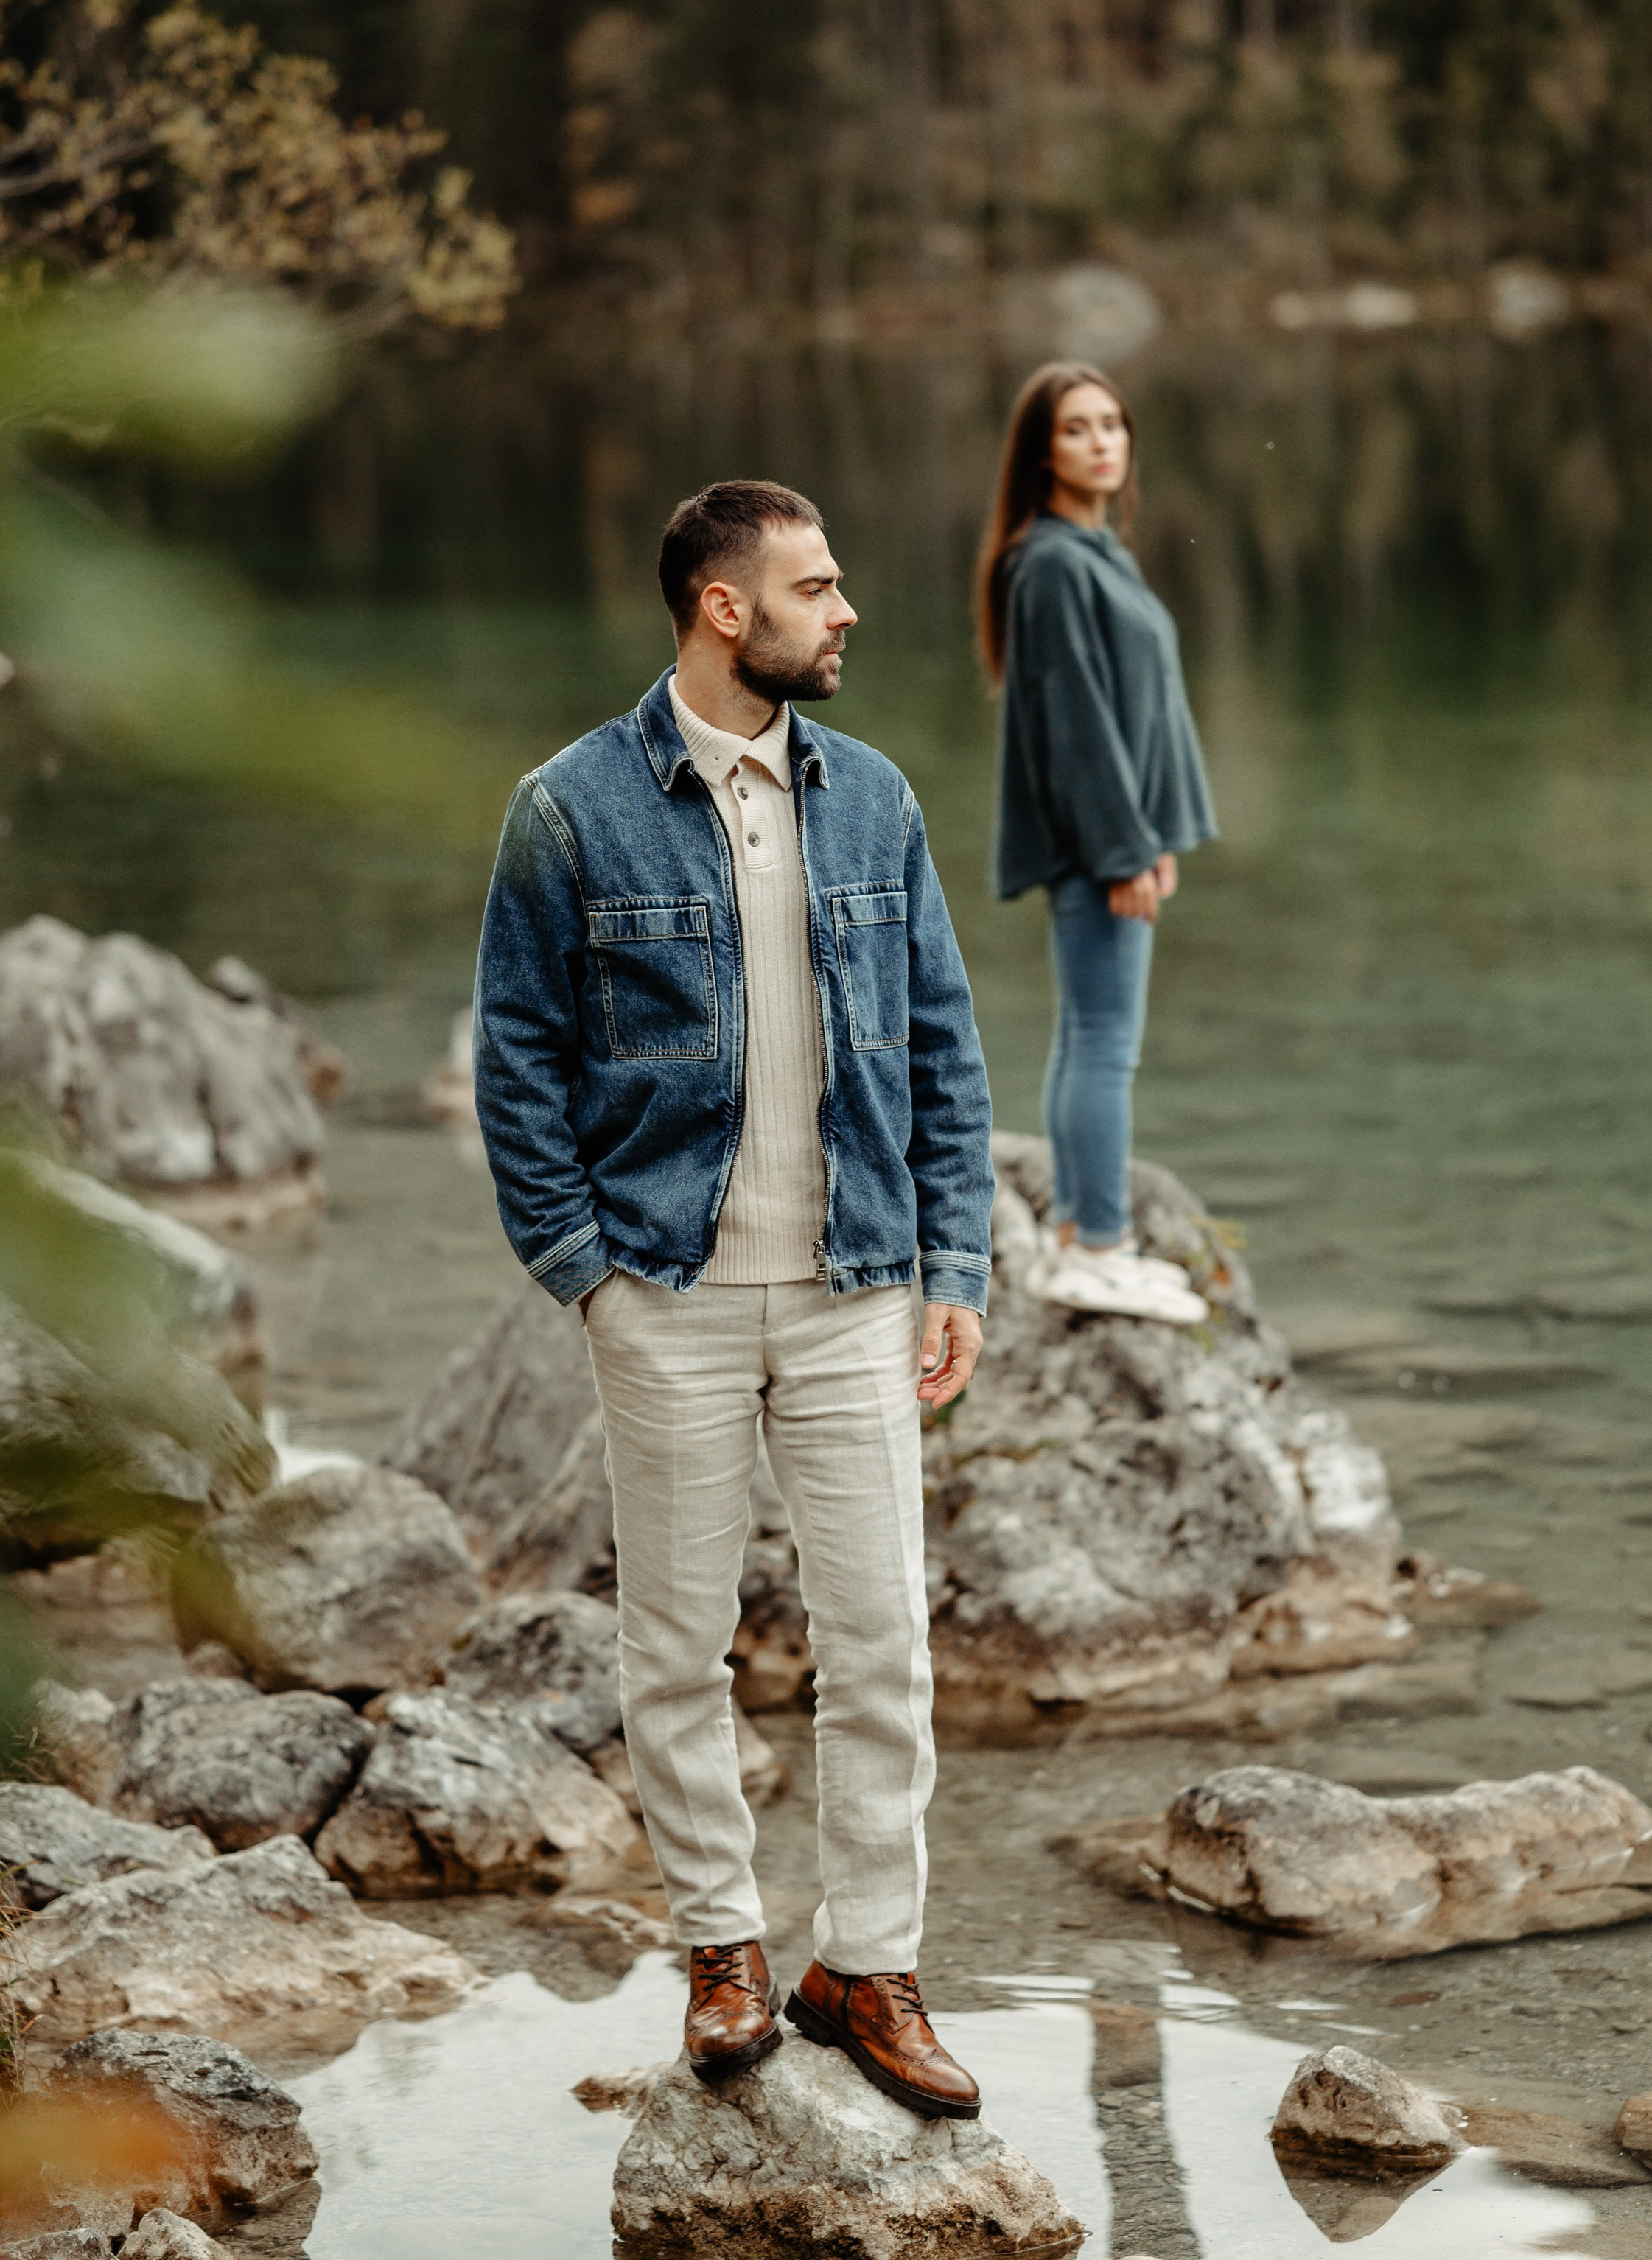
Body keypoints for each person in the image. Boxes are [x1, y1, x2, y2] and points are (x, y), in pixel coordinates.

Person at [473, 478, 993, 2119]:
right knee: (677, 1643)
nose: (844, 613)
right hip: (669, 1294)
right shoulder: (567, 811)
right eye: (815, 587)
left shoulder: (875, 800)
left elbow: (940, 1050)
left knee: (881, 1642)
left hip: (854, 1287)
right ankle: (722, 1951)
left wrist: (952, 1263)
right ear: (722, 608)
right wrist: (588, 1279)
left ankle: (870, 1964)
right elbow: (515, 1060)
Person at [976, 362, 1217, 1318]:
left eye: (1113, 423)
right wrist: (1123, 850)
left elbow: (1135, 710)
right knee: (1104, 1043)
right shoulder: (1051, 564)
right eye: (1078, 428)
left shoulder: (1094, 550)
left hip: (1122, 837)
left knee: (1093, 1034)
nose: (1103, 441)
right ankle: (1097, 1244)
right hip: (1096, 847)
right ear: (1042, 451)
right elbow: (1075, 721)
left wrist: (1153, 835)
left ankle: (1083, 1234)